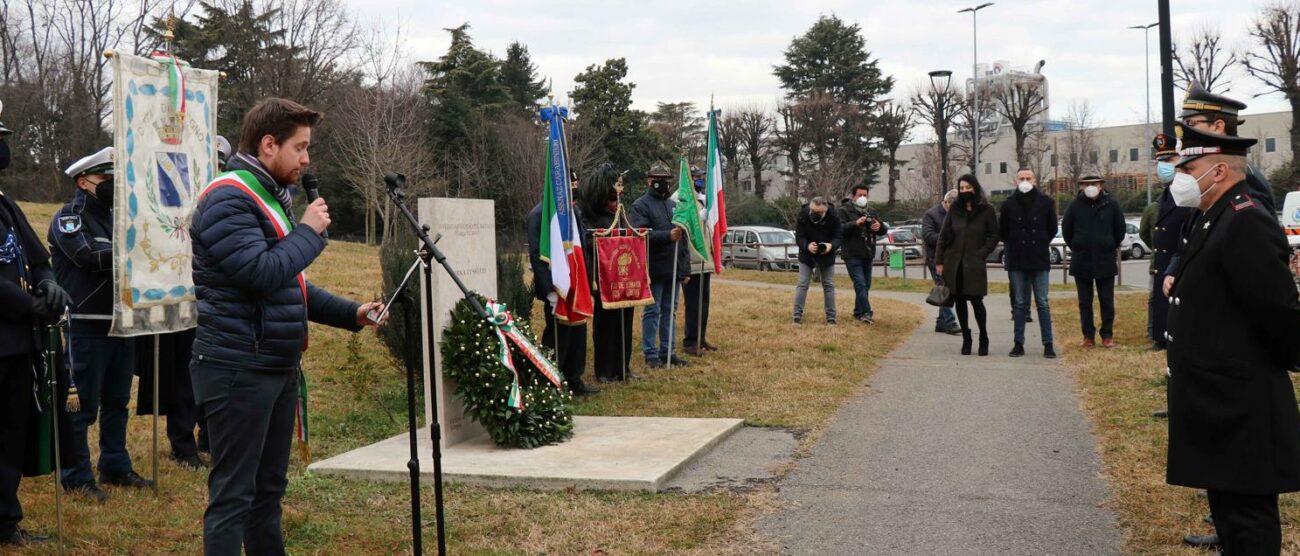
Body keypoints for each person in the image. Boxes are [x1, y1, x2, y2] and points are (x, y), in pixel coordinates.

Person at [189, 97, 385, 554]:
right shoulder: (227, 199)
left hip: (273, 365)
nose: (306, 159)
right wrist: (308, 232)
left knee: (268, 493)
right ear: (268, 144)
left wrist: (352, 312)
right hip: (237, 367)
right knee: (233, 497)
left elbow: (290, 286)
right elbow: (259, 275)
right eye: (299, 147)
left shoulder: (266, 196)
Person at [1164, 123, 1300, 555]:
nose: (1181, 176)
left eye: (1190, 166)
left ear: (1219, 171)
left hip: (1241, 397)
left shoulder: (1245, 221)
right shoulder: (1213, 216)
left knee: (1248, 519)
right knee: (1229, 507)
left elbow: (1278, 312)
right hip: (1219, 394)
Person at [48, 146, 151, 501]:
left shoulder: (118, 218)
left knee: (117, 401)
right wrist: (136, 248)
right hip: (85, 324)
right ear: (83, 181)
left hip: (121, 320)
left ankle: (115, 465)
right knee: (83, 405)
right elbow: (87, 256)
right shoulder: (68, 218)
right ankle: (76, 474)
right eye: (106, 179)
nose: (113, 186)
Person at [0, 118, 66, 546]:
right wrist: (29, 304)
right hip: (10, 326)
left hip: (16, 342)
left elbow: (36, 256)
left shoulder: (5, 204)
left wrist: (48, 283)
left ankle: (5, 521)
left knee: (9, 434)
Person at [528, 169, 598, 396]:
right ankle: (551, 380)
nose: (574, 186)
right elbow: (537, 254)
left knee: (578, 332)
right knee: (558, 336)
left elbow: (580, 249)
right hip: (555, 287)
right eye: (570, 182)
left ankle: (574, 379)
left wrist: (588, 280)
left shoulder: (573, 212)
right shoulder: (539, 214)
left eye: (575, 182)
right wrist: (548, 289)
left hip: (576, 284)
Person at [1180, 81, 1275, 216]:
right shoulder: (1215, 167)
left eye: (1190, 123)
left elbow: (1252, 223)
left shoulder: (1242, 173)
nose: (1185, 130)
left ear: (1218, 127)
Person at [579, 164, 637, 383]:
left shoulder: (621, 214)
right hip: (604, 279)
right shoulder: (591, 218)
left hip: (625, 279)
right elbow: (589, 247)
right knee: (605, 326)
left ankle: (623, 367)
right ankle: (604, 370)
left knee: (625, 324)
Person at [629, 162, 689, 368]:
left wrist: (684, 268)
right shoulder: (640, 205)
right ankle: (651, 354)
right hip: (652, 268)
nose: (663, 184)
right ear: (649, 180)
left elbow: (684, 240)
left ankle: (668, 351)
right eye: (658, 179)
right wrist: (666, 236)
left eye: (666, 180)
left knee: (670, 311)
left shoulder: (674, 206)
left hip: (673, 269)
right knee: (652, 312)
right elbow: (640, 234)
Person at [936, 175, 999, 356]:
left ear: (975, 188)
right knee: (960, 301)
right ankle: (966, 338)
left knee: (977, 301)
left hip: (974, 264)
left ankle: (984, 337)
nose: (964, 191)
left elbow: (994, 236)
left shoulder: (986, 210)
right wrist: (939, 261)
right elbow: (943, 235)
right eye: (961, 188)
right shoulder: (954, 209)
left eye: (968, 187)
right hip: (954, 263)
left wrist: (982, 254)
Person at [999, 168, 1058, 359]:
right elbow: (1004, 231)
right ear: (1016, 181)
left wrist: (1039, 243)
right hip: (1017, 259)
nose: (1025, 181)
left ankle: (1048, 344)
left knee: (1042, 302)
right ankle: (1018, 343)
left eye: (1028, 178)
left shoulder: (1047, 202)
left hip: (1039, 259)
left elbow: (1051, 229)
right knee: (1020, 303)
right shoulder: (1008, 204)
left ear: (1035, 180)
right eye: (1021, 178)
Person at [1062, 175, 1125, 349]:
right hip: (1081, 259)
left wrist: (1109, 244)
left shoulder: (1111, 204)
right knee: (1084, 301)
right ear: (1081, 186)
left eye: (1094, 184)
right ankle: (1088, 336)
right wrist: (1078, 244)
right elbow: (1067, 230)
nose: (1090, 187)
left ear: (1101, 185)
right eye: (1086, 184)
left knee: (1106, 300)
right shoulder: (1074, 206)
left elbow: (1120, 229)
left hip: (1105, 259)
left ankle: (1107, 335)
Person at [1138, 134, 1188, 353]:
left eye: (1169, 161)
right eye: (1160, 162)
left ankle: (1171, 337)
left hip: (1177, 256)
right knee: (1160, 301)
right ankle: (1160, 337)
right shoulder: (1167, 192)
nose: (1163, 167)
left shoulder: (1187, 191)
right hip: (1162, 258)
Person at [837, 185, 887, 324]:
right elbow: (839, 229)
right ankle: (866, 312)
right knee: (860, 283)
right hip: (852, 253)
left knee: (866, 284)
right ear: (853, 196)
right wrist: (855, 223)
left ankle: (858, 311)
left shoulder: (871, 211)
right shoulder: (843, 210)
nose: (862, 198)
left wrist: (879, 226)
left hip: (868, 252)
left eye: (865, 195)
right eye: (859, 195)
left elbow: (882, 229)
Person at [683, 165, 717, 355]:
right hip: (691, 259)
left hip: (704, 258)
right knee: (693, 303)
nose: (700, 180)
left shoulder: (702, 199)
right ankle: (690, 341)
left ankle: (700, 337)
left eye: (701, 177)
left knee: (704, 303)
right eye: (696, 177)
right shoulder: (682, 197)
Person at [792, 197, 841, 325]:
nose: (813, 213)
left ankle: (831, 318)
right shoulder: (803, 214)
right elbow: (799, 237)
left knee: (828, 285)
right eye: (812, 210)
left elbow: (838, 237)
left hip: (827, 254)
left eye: (818, 212)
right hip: (806, 255)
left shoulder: (834, 216)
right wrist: (807, 245)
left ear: (825, 211)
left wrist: (830, 246)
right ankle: (796, 317)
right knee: (802, 284)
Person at [922, 190, 961, 335]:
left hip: (953, 259)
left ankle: (940, 322)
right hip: (936, 259)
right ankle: (950, 322)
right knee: (944, 288)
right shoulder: (931, 215)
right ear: (946, 203)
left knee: (945, 288)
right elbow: (927, 236)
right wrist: (948, 237)